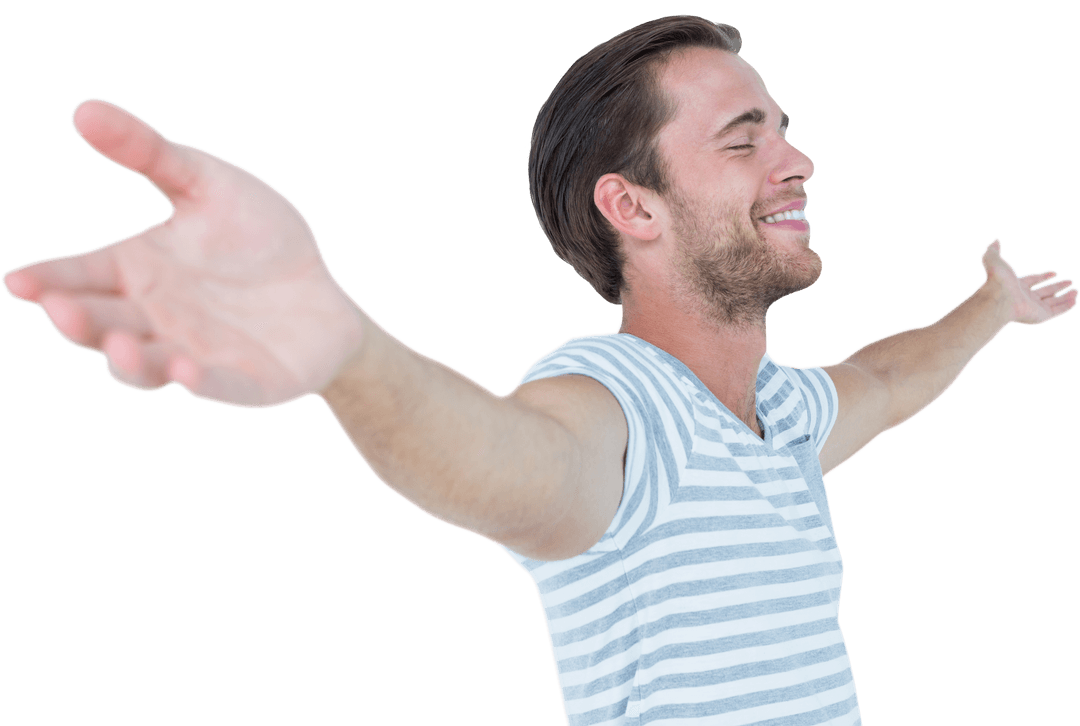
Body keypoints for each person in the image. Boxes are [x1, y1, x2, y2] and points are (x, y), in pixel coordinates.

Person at [3, 14, 1075, 726]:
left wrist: (991, 309)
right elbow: (521, 463)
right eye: (744, 140)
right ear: (634, 206)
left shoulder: (781, 415)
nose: (797, 161)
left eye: (785, 132)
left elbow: (884, 383)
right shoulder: (614, 409)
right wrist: (346, 349)